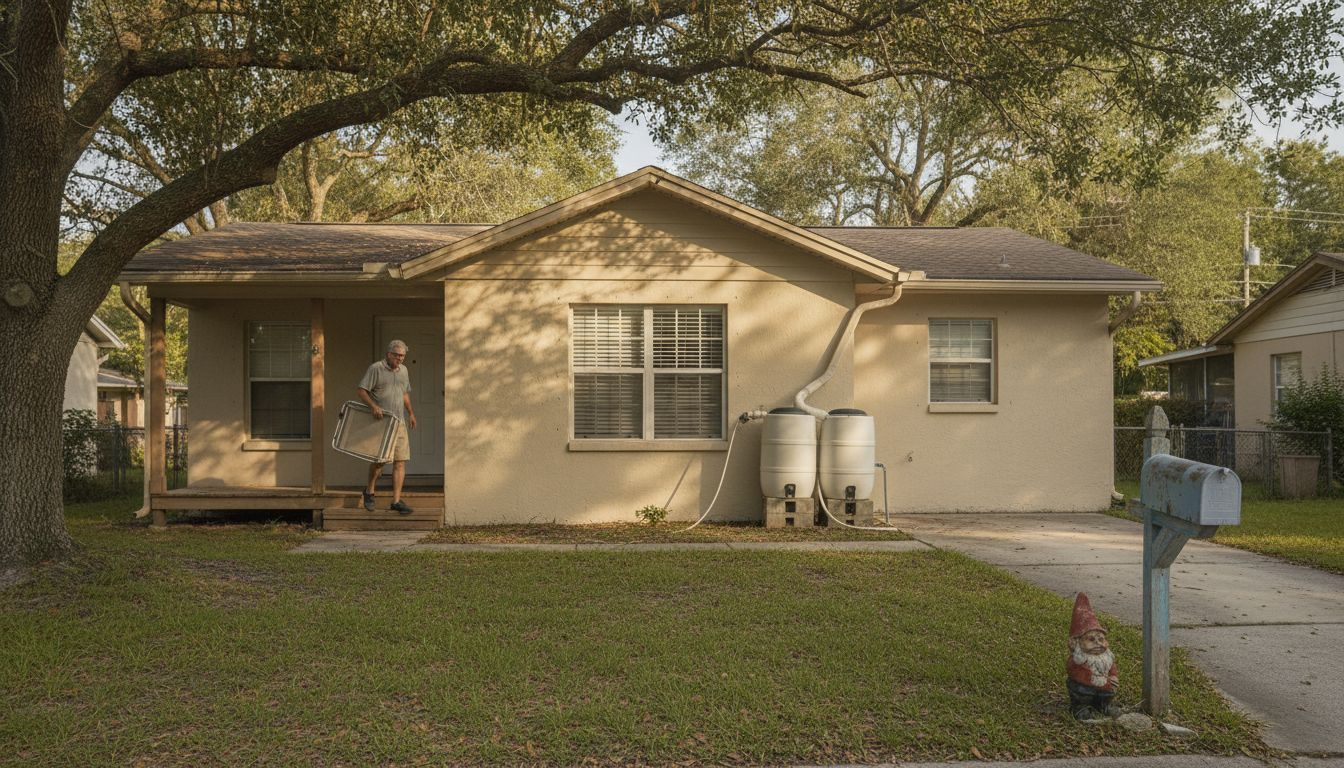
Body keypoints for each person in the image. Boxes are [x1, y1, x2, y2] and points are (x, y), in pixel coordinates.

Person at [357, 340, 417, 514]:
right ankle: (369, 491)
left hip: (399, 422)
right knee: (380, 461)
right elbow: (361, 390)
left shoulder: (404, 371)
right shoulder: (376, 368)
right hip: (381, 423)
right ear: (388, 354)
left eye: (402, 356)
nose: (400, 359)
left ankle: (396, 501)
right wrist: (373, 406)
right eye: (397, 355)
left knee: (400, 461)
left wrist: (411, 413)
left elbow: (405, 393)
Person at [1066, 592, 1119, 721]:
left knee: (1107, 693)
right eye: (1091, 639)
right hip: (1084, 686)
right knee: (1082, 692)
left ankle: (1103, 706)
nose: (1098, 644)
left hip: (1105, 685)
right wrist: (1094, 679)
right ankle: (1081, 708)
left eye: (1101, 639)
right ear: (1076, 642)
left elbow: (1112, 667)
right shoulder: (1078, 659)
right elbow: (1075, 673)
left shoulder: (1106, 657)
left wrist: (1113, 676)